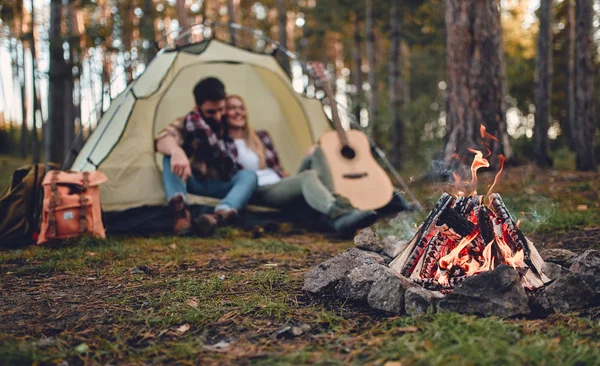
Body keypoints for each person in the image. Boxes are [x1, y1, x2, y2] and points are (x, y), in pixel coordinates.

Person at [224, 94, 378, 237]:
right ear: (224, 112)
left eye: (241, 108)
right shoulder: (223, 142)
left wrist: (291, 170)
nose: (238, 112)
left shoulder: (260, 137)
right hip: (261, 191)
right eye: (232, 108)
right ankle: (338, 212)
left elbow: (276, 167)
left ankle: (337, 210)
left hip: (279, 183)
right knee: (308, 176)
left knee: (317, 152)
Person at [155, 78, 258, 236]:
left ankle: (219, 215)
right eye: (211, 112)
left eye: (220, 110)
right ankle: (181, 214)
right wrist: (177, 151)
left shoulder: (227, 122)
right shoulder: (188, 122)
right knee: (169, 157)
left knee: (249, 176)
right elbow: (163, 138)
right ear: (198, 106)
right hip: (193, 181)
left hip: (221, 183)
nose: (217, 116)